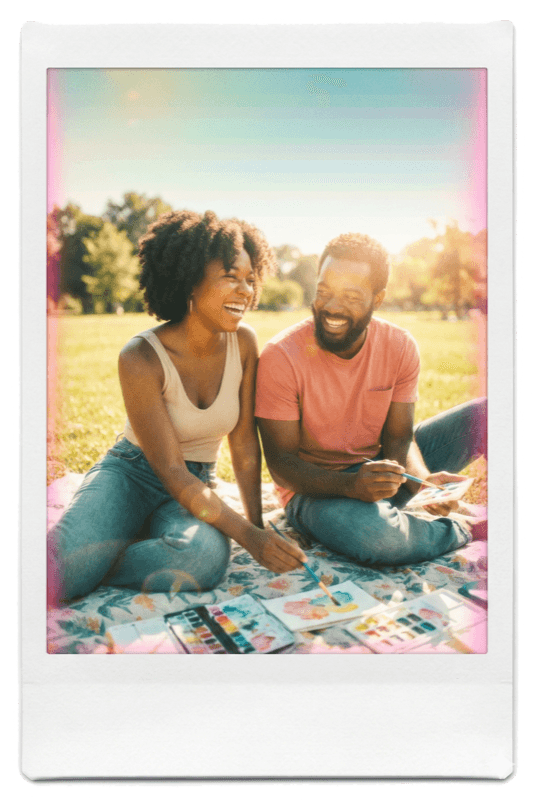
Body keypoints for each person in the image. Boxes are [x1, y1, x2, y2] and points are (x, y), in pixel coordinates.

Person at [48, 210, 305, 604]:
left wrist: (257, 525)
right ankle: (91, 555)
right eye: (230, 277)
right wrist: (249, 538)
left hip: (197, 480)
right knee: (54, 575)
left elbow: (244, 445)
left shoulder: (245, 344)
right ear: (189, 279)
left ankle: (101, 555)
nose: (245, 291)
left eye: (251, 279)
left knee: (202, 559)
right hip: (132, 474)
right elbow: (168, 469)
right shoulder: (140, 356)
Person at [255, 232, 487, 567]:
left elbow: (399, 437)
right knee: (380, 539)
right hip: (315, 490)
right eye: (324, 292)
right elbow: (282, 466)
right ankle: (465, 530)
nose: (332, 307)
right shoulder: (282, 355)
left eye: (350, 296)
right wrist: (350, 485)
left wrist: (421, 481)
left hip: (383, 469)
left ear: (377, 299)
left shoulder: (400, 346)